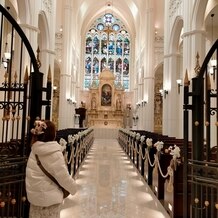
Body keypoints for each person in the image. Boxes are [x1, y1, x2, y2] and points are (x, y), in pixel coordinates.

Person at [25, 120, 77, 218]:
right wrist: (73, 188)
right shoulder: (53, 153)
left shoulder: (34, 150)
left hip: (35, 199)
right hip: (49, 201)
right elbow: (63, 177)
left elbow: (31, 174)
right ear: (53, 134)